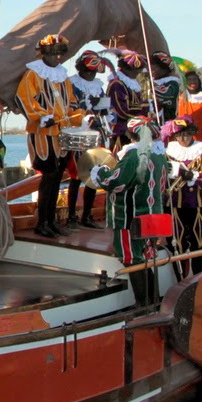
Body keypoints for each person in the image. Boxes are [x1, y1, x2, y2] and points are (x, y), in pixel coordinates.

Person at [90, 116, 169, 308]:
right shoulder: (159, 155)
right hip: (153, 215)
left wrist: (98, 172)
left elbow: (117, 181)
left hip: (131, 216)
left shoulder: (135, 155)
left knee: (133, 260)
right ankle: (153, 300)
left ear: (132, 135)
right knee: (144, 259)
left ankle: (142, 304)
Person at [17, 33, 85, 238]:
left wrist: (77, 115)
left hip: (62, 132)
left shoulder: (63, 76)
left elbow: (71, 102)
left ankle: (51, 220)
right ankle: (42, 222)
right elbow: (25, 99)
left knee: (57, 177)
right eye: (53, 53)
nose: (57, 58)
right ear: (44, 53)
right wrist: (41, 116)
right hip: (43, 133)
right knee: (48, 177)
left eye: (60, 54)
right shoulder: (33, 74)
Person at [163, 118, 202, 279]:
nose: (183, 139)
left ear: (193, 134)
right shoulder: (167, 152)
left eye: (187, 135)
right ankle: (180, 282)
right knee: (176, 245)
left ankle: (198, 281)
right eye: (179, 135)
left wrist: (194, 176)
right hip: (173, 204)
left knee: (197, 245)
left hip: (197, 203)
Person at [63, 50, 109, 228]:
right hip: (78, 133)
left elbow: (104, 108)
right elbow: (71, 106)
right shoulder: (72, 84)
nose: (91, 75)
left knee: (93, 176)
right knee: (76, 176)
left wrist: (102, 108)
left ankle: (87, 215)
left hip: (96, 133)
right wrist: (89, 107)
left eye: (94, 72)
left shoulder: (98, 85)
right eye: (88, 71)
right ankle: (72, 215)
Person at [105, 51, 148, 151]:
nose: (138, 73)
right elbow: (121, 110)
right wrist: (145, 106)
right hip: (121, 131)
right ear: (126, 68)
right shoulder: (117, 84)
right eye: (136, 70)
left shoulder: (130, 83)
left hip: (133, 129)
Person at [149, 53, 181, 121]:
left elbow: (165, 94)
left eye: (155, 66)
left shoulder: (173, 82)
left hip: (168, 121)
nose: (151, 69)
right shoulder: (151, 81)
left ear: (164, 68)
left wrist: (148, 85)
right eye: (150, 66)